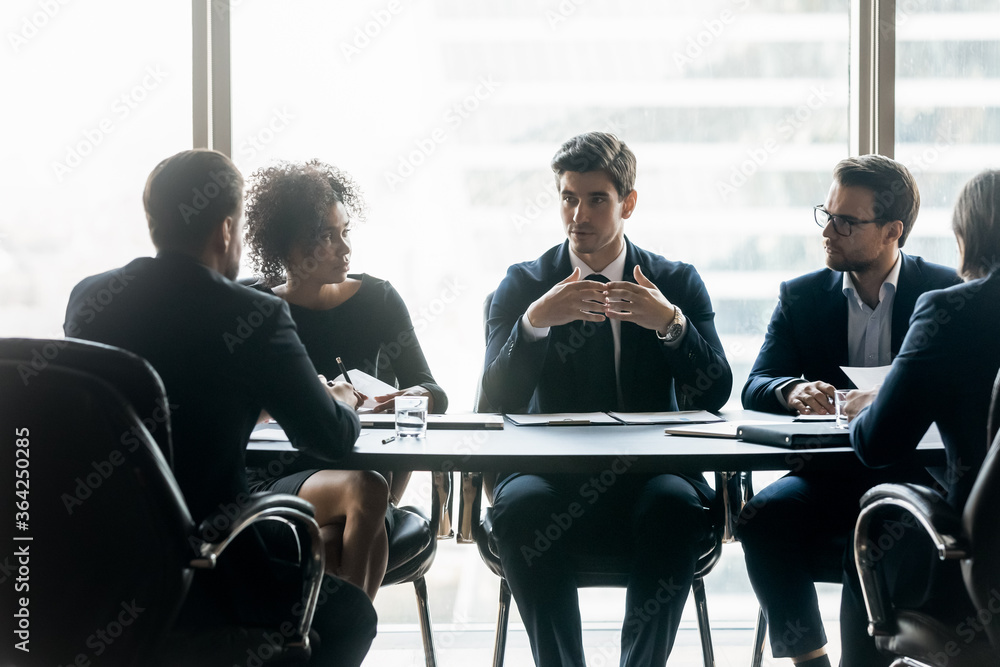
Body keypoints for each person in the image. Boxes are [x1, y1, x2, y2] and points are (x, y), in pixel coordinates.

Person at [63, 149, 379, 666]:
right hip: (215, 563)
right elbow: (330, 439)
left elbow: (147, 404)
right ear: (227, 229)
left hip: (107, 564)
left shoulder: (90, 298)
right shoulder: (254, 314)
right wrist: (338, 400)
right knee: (351, 616)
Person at [481, 131, 732, 667]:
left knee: (675, 506)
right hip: (546, 478)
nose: (579, 215)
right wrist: (534, 324)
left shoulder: (676, 282)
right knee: (519, 506)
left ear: (628, 203)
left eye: (597, 199)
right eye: (569, 198)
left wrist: (670, 324)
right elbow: (491, 400)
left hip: (653, 476)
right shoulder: (523, 284)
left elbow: (714, 393)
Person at [736, 155, 960, 666]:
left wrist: (889, 397)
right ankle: (810, 660)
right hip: (827, 474)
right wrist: (790, 390)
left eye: (846, 222)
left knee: (879, 530)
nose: (828, 231)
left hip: (915, 478)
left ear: (892, 231)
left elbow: (970, 387)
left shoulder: (945, 292)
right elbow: (756, 384)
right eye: (826, 214)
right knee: (760, 519)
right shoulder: (801, 297)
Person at [839, 169, 1000, 665]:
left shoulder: (951, 311)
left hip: (977, 570)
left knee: (868, 539)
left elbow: (878, 444)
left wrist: (878, 397)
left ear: (964, 237)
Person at [243, 159, 448, 510]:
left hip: (363, 466)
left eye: (346, 232)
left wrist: (415, 397)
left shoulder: (378, 299)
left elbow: (435, 393)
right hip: (280, 473)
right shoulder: (257, 308)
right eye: (327, 236)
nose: (345, 248)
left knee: (345, 524)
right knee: (347, 524)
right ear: (287, 245)